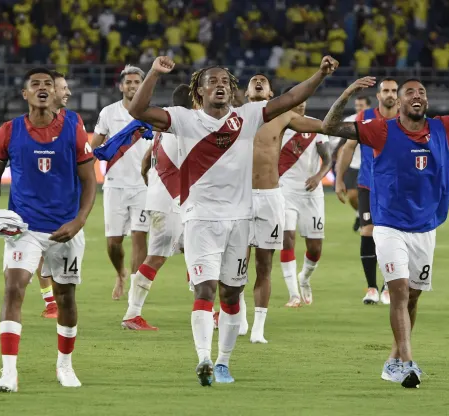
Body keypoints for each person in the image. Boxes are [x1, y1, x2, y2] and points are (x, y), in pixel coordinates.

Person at [128, 55, 338, 386]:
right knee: (205, 288)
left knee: (230, 293)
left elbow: (290, 99)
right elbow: (137, 111)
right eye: (212, 81)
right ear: (199, 91)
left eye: (225, 81)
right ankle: (205, 359)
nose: (220, 85)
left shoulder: (248, 117)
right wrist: (153, 73)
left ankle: (224, 363)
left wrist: (320, 75)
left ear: (232, 89)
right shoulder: (184, 120)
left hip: (239, 222)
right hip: (200, 220)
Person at [321, 69, 449, 388]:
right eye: (410, 93)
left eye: (422, 93)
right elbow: (330, 126)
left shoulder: (443, 127)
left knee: (413, 297)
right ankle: (408, 363)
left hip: (426, 226)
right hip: (388, 225)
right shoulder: (379, 130)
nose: (417, 96)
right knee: (399, 292)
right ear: (399, 102)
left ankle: (392, 360)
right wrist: (346, 94)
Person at [0, 68, 97, 392]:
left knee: (66, 298)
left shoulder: (73, 130)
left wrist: (79, 221)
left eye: (48, 84)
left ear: (55, 92)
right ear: (26, 94)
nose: (43, 88)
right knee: (13, 288)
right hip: (24, 229)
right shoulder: (9, 131)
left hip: (65, 229)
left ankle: (65, 365)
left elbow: (90, 180)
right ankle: (8, 372)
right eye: (36, 84)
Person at [244, 75, 333, 344]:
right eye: (253, 80)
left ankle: (300, 282)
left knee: (305, 250)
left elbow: (327, 138)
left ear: (272, 94)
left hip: (293, 194)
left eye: (263, 80)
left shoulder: (289, 121)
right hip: (268, 194)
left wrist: (320, 175)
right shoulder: (235, 117)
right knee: (243, 262)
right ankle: (284, 297)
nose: (258, 81)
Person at [121, 84, 193, 331]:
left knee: (196, 254)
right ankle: (132, 313)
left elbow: (145, 163)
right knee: (156, 258)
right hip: (169, 203)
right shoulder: (183, 127)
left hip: (166, 200)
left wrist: (151, 183)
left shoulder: (166, 126)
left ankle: (207, 311)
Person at [335, 79, 400, 305]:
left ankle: (388, 288)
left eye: (394, 90)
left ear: (398, 96)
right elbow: (348, 148)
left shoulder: (406, 120)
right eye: (386, 91)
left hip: (396, 189)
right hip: (368, 185)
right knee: (367, 233)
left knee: (392, 237)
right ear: (379, 96)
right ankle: (372, 287)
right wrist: (339, 179)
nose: (390, 94)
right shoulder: (364, 118)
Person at [91, 65, 152, 300]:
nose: (133, 86)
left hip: (143, 186)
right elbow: (93, 146)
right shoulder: (108, 113)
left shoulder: (151, 112)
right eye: (129, 82)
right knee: (113, 243)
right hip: (115, 185)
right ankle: (120, 273)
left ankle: (135, 295)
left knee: (139, 236)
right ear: (121, 86)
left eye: (137, 82)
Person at [277, 92, 331, 308]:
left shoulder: (316, 126)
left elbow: (327, 159)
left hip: (311, 193)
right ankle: (293, 295)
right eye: (296, 102)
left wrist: (319, 177)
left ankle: (305, 278)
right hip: (284, 190)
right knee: (287, 239)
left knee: (315, 247)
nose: (300, 105)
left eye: (303, 101)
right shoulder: (277, 128)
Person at [32, 70, 73, 320]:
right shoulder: (32, 122)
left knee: (61, 255)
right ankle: (50, 302)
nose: (67, 92)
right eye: (64, 88)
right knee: (39, 252)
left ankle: (60, 300)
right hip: (37, 200)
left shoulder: (72, 121)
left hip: (65, 201)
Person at [332, 96, 371, 231]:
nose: (358, 108)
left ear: (368, 107)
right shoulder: (350, 121)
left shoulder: (375, 120)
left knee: (370, 197)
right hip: (353, 164)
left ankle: (366, 219)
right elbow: (341, 144)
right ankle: (359, 214)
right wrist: (338, 161)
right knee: (352, 196)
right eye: (357, 105)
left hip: (370, 165)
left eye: (361, 105)